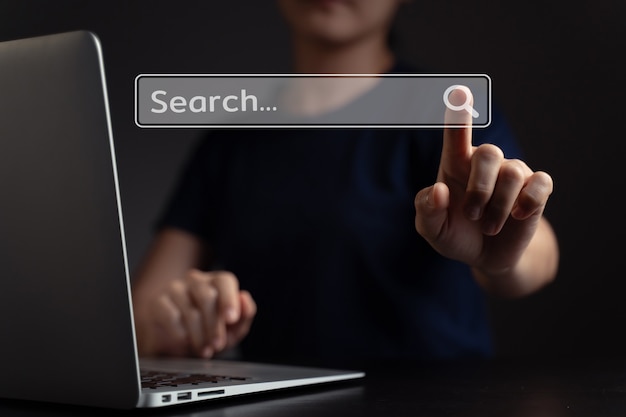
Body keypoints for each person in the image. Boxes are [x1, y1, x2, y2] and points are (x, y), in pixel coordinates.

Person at [131, 0, 559, 367]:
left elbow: (539, 251)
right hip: (282, 406)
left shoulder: (446, 115)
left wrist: (502, 253)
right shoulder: (232, 142)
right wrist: (174, 320)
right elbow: (142, 313)